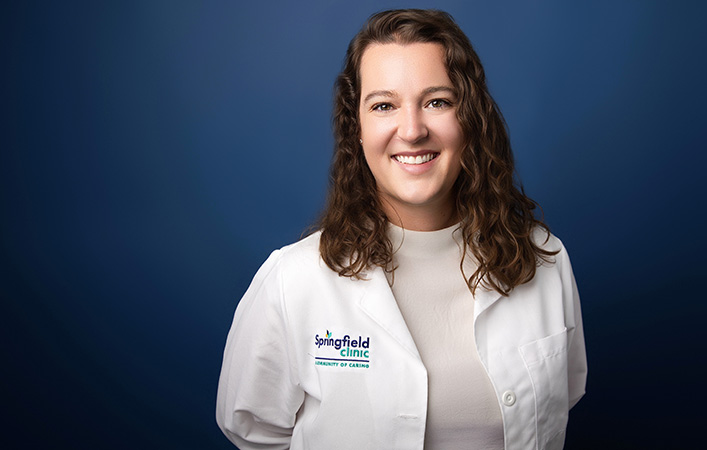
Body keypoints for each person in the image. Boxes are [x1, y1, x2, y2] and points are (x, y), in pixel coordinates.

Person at [216, 8, 586, 450]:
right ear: (357, 127)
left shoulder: (545, 262)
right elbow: (253, 430)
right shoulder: (293, 281)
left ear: (469, 118)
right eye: (384, 105)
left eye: (437, 101)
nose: (412, 131)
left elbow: (565, 395)